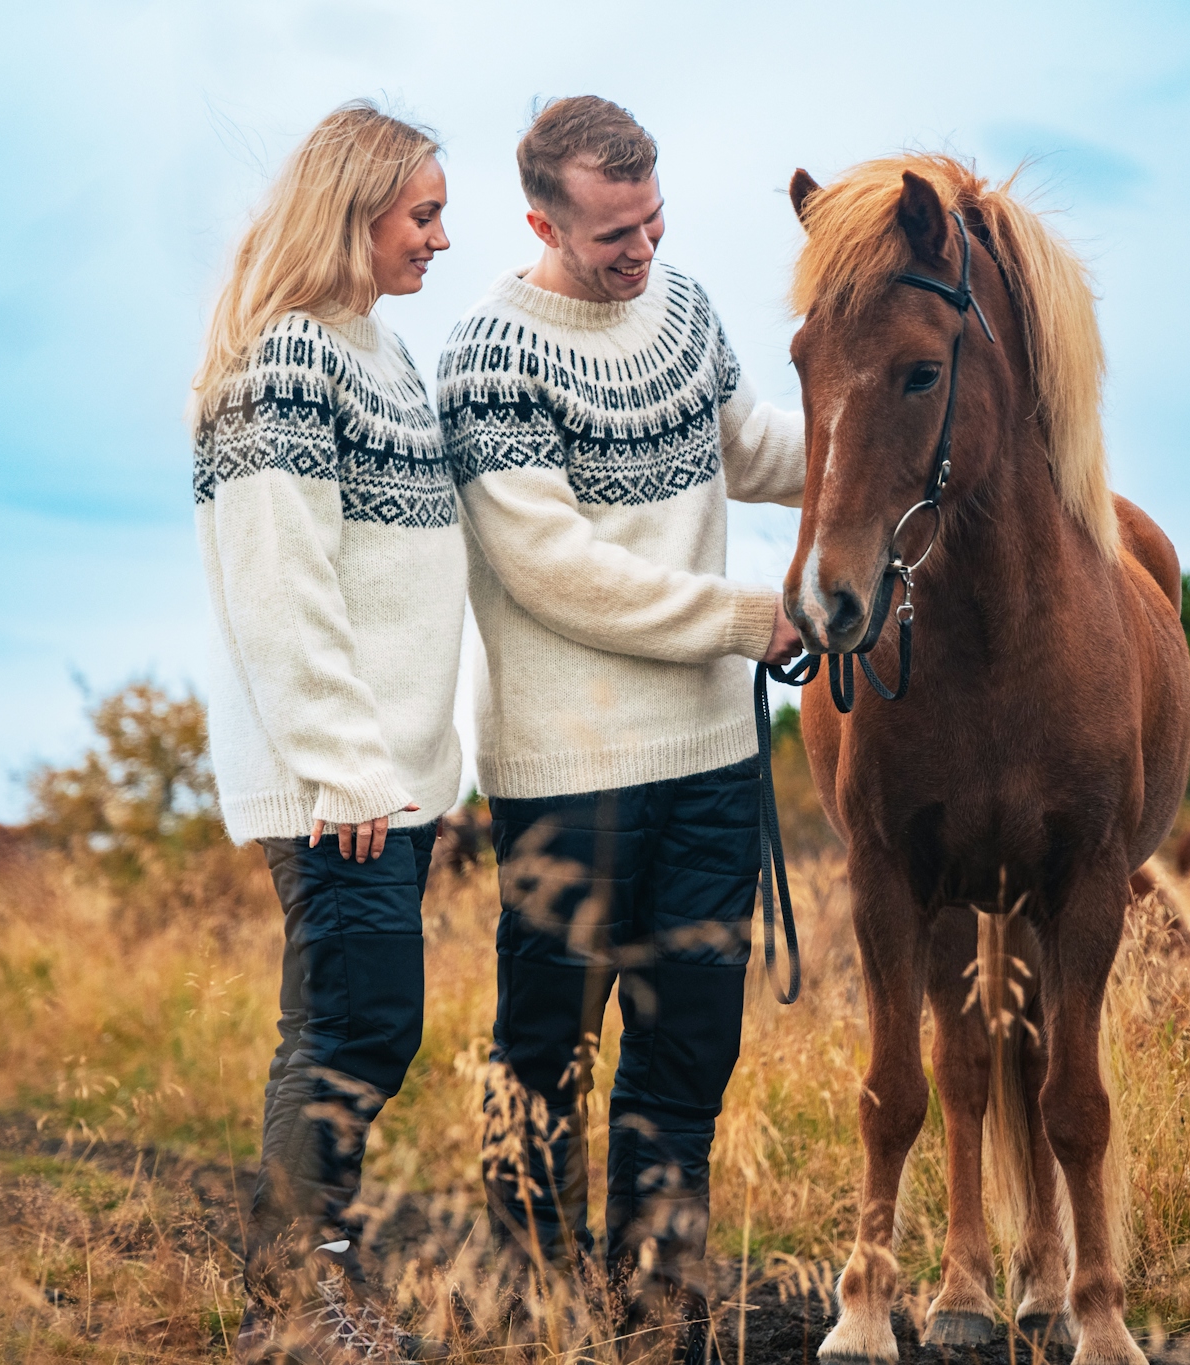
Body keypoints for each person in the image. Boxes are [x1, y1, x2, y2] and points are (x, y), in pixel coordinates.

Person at [435, 95, 805, 1343]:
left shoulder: (684, 307)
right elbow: (555, 570)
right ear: (541, 222)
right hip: (568, 769)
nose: (640, 250)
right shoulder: (488, 355)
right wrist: (742, 616)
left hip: (711, 760)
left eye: (652, 222)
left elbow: (747, 447)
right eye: (612, 236)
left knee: (686, 1051)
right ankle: (542, 1317)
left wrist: (888, 438)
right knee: (546, 1056)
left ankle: (654, 1311)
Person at [188, 99, 460, 1360]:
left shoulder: (381, 354)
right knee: (352, 1029)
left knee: (361, 1025)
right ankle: (301, 1298)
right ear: (352, 213)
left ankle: (301, 1284)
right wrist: (345, 765)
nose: (439, 239)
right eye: (422, 215)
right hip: (335, 782)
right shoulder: (287, 355)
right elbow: (280, 585)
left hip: (389, 777)